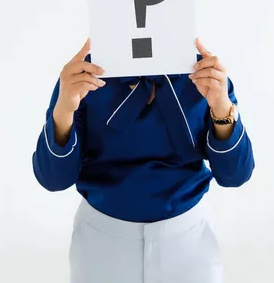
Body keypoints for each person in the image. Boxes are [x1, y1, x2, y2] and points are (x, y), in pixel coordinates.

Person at [32, 37, 255, 283]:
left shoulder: (204, 74)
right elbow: (53, 178)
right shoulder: (83, 77)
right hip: (101, 245)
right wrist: (64, 109)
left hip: (190, 244)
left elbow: (235, 174)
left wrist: (221, 107)